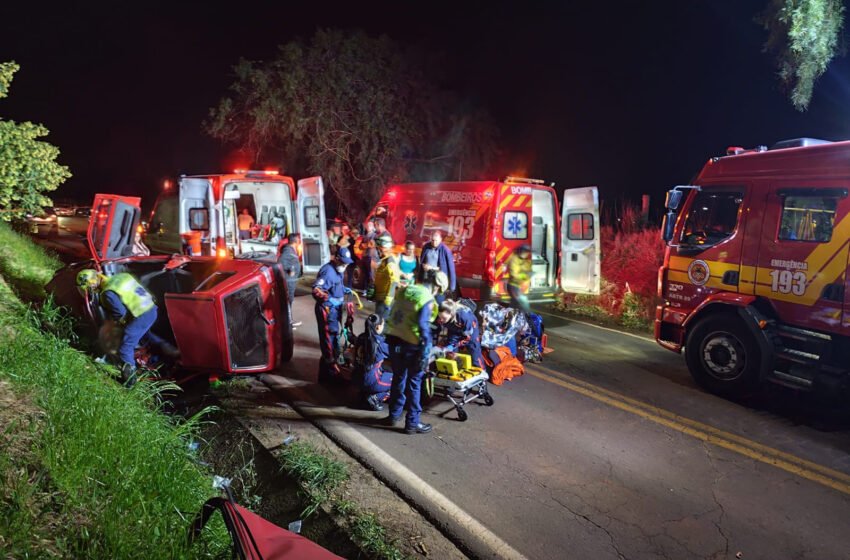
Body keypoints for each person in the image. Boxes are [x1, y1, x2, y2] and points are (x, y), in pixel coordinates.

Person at [76, 269, 178, 387]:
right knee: (145, 334)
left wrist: (117, 331)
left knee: (125, 347)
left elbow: (121, 315)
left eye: (89, 288)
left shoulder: (107, 294)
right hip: (151, 309)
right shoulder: (121, 277)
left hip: (142, 315)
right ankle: (169, 350)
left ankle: (130, 382)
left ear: (92, 284)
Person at [384, 270, 449, 434]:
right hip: (412, 345)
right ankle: (412, 423)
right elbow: (423, 325)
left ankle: (393, 416)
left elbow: (392, 310)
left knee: (398, 378)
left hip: (394, 340)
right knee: (414, 384)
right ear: (437, 286)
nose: (437, 293)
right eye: (438, 290)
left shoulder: (407, 289)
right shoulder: (426, 298)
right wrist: (426, 350)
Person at [312, 246, 354, 384]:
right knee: (329, 341)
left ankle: (325, 377)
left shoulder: (338, 270)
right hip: (328, 310)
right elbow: (316, 289)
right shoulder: (328, 271)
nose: (345, 266)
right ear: (336, 259)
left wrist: (343, 291)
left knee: (334, 339)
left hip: (335, 310)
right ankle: (331, 375)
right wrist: (327, 298)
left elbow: (335, 285)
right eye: (343, 263)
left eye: (346, 263)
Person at [360, 314, 393, 411]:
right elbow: (395, 354)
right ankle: (375, 398)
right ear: (378, 327)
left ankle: (364, 394)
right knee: (398, 380)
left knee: (381, 369)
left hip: (356, 378)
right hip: (370, 380)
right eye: (383, 325)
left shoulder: (361, 338)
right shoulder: (380, 344)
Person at [438, 300, 485, 369]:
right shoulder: (442, 317)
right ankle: (454, 371)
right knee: (450, 353)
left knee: (474, 352)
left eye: (444, 318)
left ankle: (482, 373)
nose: (441, 320)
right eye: (440, 317)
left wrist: (455, 344)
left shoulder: (464, 317)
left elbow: (467, 338)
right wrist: (449, 345)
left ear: (451, 313)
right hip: (453, 327)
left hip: (470, 330)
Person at [418, 230, 456, 302]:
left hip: (438, 282)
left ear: (440, 240)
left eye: (436, 240)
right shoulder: (426, 247)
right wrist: (422, 269)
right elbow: (422, 261)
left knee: (438, 302)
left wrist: (452, 287)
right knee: (425, 301)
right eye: (432, 240)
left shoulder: (445, 250)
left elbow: (450, 268)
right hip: (426, 279)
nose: (434, 242)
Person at [373, 235, 400, 319]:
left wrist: (388, 300)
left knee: (380, 324)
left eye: (379, 248)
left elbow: (394, 282)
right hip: (380, 297)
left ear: (384, 248)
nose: (377, 250)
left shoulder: (390, 262)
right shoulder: (384, 260)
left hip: (384, 300)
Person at [278, 233, 302, 326]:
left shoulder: (291, 250)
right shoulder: (288, 251)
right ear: (296, 241)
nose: (300, 241)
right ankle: (289, 322)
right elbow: (280, 262)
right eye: (299, 240)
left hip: (291, 280)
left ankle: (288, 321)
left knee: (289, 300)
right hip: (288, 281)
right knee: (288, 301)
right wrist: (290, 268)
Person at [506, 245, 532, 314]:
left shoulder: (526, 261)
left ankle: (508, 317)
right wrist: (524, 275)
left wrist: (528, 275)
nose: (527, 254)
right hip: (513, 286)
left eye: (528, 252)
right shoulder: (514, 260)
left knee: (514, 304)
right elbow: (514, 274)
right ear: (520, 252)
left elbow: (528, 271)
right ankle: (527, 318)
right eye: (525, 252)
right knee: (524, 303)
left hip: (520, 286)